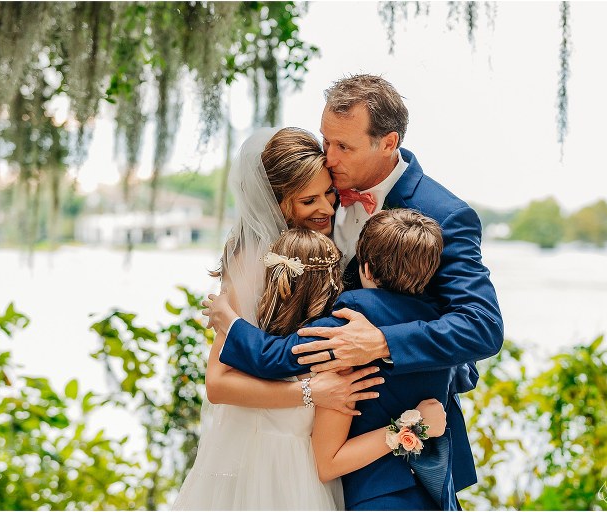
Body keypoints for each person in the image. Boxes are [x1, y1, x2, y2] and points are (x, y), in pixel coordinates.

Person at [212, 74, 504, 506]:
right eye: (326, 141)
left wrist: (380, 342)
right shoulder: (312, 200)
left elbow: (481, 328)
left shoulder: (444, 215)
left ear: (388, 143)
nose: (328, 158)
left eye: (343, 147)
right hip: (306, 447)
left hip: (400, 459)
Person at [173, 127, 424, 510]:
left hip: (313, 445)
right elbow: (218, 384)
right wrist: (311, 392)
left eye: (329, 193)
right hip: (267, 448)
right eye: (309, 200)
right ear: (276, 203)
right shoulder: (253, 260)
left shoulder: (324, 244)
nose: (327, 208)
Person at [212, 210, 461, 510]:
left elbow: (277, 357)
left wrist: (230, 323)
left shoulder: (352, 318)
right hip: (432, 493)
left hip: (377, 496)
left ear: (365, 268)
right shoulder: (440, 329)